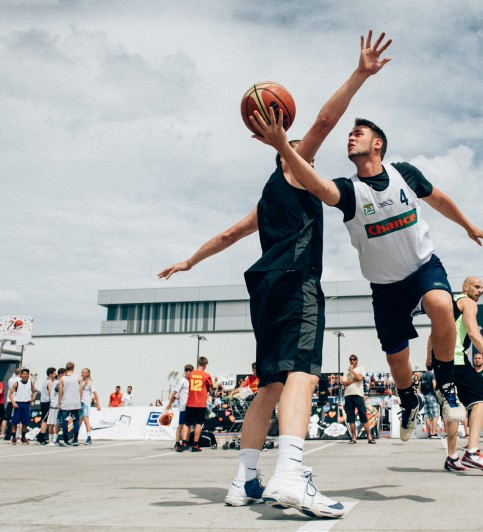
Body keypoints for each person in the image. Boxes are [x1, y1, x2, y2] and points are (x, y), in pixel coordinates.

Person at [160, 30, 392, 519]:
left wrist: (190, 262)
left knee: (269, 385)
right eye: (304, 150)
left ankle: (244, 479)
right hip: (294, 281)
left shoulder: (267, 196)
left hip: (263, 290)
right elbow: (325, 120)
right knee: (303, 373)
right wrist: (360, 74)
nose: (313, 154)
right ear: (290, 148)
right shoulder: (293, 168)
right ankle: (290, 472)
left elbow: (228, 235)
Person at [252, 97, 483, 448]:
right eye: (349, 134)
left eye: (358, 133)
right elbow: (316, 186)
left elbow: (438, 199)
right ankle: (409, 400)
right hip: (385, 286)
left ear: (377, 143)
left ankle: (447, 386)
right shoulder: (349, 190)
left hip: (422, 267)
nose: (350, 137)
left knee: (442, 304)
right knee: (397, 359)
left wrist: (467, 225)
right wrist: (283, 147)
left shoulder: (404, 173)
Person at [428, 277, 483, 472]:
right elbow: (473, 332)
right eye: (476, 287)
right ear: (465, 287)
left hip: (441, 361)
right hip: (457, 360)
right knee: (480, 401)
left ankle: (452, 457)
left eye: (482, 288)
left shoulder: (449, 304)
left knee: (454, 408)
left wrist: (429, 357)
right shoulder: (468, 302)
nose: (480, 290)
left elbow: (434, 332)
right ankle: (472, 452)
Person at [342, 354, 375, 444]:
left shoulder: (361, 369)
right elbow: (344, 383)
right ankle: (354, 437)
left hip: (358, 395)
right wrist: (353, 379)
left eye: (354, 359)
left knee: (363, 415)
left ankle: (369, 437)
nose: (352, 361)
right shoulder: (346, 371)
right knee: (351, 417)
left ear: (357, 360)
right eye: (351, 359)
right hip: (348, 395)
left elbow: (360, 378)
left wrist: (352, 371)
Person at [184, 356, 212, 452]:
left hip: (190, 402)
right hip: (200, 403)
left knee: (187, 423)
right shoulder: (206, 375)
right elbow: (210, 389)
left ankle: (184, 443)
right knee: (198, 423)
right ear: (205, 365)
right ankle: (195, 445)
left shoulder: (191, 374)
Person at [167, 364, 194, 452]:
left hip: (191, 406)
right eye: (187, 370)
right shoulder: (182, 381)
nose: (188, 372)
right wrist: (169, 403)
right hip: (183, 407)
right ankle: (177, 442)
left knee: (189, 425)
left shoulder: (192, 381)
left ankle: (186, 442)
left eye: (190, 371)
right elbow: (175, 393)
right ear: (185, 372)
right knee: (181, 425)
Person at [9, 368, 36, 445]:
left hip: (26, 404)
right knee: (14, 422)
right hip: (18, 404)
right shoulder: (16, 383)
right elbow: (10, 394)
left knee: (25, 422)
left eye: (26, 374)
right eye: (23, 374)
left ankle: (23, 437)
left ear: (28, 375)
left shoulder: (30, 383)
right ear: (21, 375)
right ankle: (14, 437)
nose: (25, 375)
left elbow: (34, 391)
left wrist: (33, 398)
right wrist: (13, 402)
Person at [58, 362, 81, 446]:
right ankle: (75, 440)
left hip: (66, 403)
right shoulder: (78, 378)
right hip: (75, 402)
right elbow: (81, 390)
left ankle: (65, 440)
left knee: (65, 421)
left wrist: (59, 402)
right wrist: (79, 400)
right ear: (73, 368)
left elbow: (60, 392)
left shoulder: (62, 379)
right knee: (75, 421)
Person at [80, 368, 101, 445]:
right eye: (82, 372)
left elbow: (95, 394)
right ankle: (74, 437)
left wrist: (98, 404)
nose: (82, 374)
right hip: (79, 403)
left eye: (84, 372)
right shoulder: (80, 381)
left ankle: (89, 437)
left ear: (88, 374)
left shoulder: (90, 383)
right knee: (78, 421)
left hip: (86, 404)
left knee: (86, 420)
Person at [419, 363, 440, 439]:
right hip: (432, 395)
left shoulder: (422, 376)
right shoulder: (432, 375)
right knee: (435, 414)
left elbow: (419, 388)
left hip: (425, 396)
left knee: (427, 415)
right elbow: (434, 386)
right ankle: (434, 432)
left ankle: (428, 433)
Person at [36, 367, 56, 444]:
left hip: (43, 402)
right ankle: (41, 436)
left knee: (45, 419)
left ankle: (41, 435)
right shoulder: (49, 382)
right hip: (47, 402)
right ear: (50, 374)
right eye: (54, 373)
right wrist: (52, 399)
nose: (55, 374)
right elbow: (50, 392)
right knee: (45, 419)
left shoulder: (45, 381)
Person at [2, 368, 21, 441]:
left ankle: (2, 433)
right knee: (18, 418)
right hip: (17, 400)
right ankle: (19, 434)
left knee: (6, 418)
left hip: (10, 400)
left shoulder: (10, 379)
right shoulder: (20, 380)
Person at [47, 368, 64, 446]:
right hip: (56, 405)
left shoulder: (54, 382)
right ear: (61, 374)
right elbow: (60, 392)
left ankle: (51, 440)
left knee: (52, 423)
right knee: (56, 423)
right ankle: (53, 440)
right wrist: (60, 403)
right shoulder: (58, 382)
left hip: (53, 404)